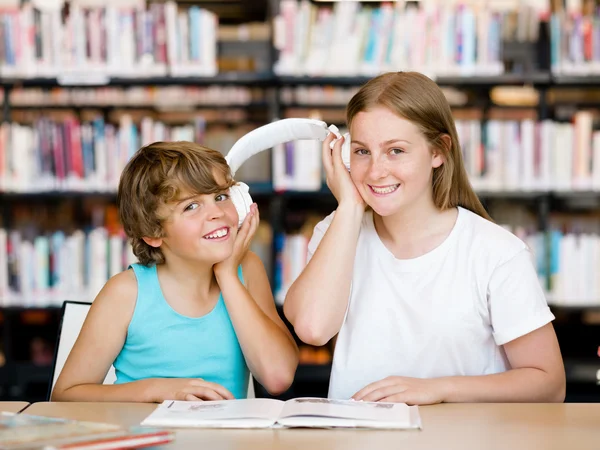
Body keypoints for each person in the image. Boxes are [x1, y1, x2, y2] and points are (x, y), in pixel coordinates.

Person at [284, 72, 565, 405]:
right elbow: (313, 329)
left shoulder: (495, 253)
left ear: (438, 152)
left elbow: (549, 384)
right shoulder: (338, 231)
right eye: (362, 152)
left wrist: (438, 389)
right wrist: (348, 207)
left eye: (396, 151)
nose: (375, 171)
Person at [52, 142, 298, 402]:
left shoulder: (246, 270)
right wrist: (158, 390)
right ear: (153, 233)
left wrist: (227, 276)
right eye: (191, 206)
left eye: (220, 196)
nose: (217, 213)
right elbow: (65, 395)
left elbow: (278, 377)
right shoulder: (126, 293)